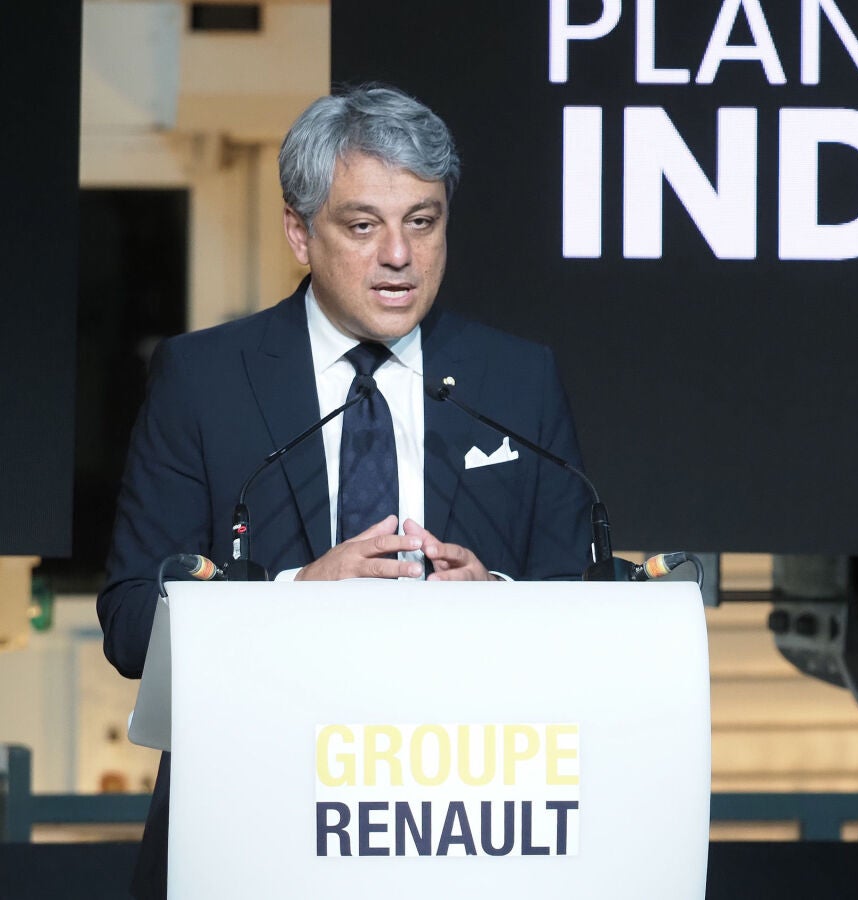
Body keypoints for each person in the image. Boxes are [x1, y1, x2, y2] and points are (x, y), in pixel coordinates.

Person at [95, 84, 593, 899]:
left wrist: (498, 602)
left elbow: (586, 609)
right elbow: (128, 622)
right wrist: (292, 598)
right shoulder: (203, 380)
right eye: (363, 226)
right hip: (255, 825)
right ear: (300, 233)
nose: (399, 255)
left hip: (464, 830)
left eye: (422, 222)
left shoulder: (517, 379)